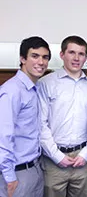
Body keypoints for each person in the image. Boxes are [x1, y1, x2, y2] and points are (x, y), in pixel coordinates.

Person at [38, 35, 87, 197]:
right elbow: (40, 124)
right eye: (72, 52)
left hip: (83, 160)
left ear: (86, 57)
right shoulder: (45, 83)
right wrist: (57, 156)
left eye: (81, 53)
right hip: (53, 160)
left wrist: (85, 154)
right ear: (62, 54)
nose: (76, 58)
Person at [0, 36, 51, 197]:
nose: (41, 62)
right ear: (22, 59)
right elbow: (3, 136)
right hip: (17, 173)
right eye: (35, 56)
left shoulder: (35, 88)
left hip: (35, 168)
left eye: (45, 57)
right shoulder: (12, 91)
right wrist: (9, 177)